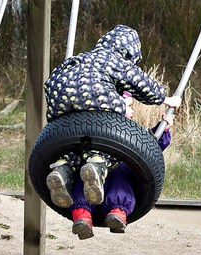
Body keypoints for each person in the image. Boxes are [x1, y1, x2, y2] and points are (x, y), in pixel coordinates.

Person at [43, 24, 181, 210]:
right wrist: (164, 98)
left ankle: (62, 169)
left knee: (72, 145)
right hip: (94, 98)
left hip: (59, 99)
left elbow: (51, 81)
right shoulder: (114, 59)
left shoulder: (81, 58)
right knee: (108, 138)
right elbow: (139, 82)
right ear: (129, 54)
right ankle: (96, 165)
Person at [69, 95, 175, 239]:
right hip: (91, 186)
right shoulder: (92, 128)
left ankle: (117, 213)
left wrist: (164, 129)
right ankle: (82, 217)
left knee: (123, 175)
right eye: (129, 107)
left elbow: (151, 146)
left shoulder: (132, 135)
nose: (132, 112)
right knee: (84, 174)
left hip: (117, 185)